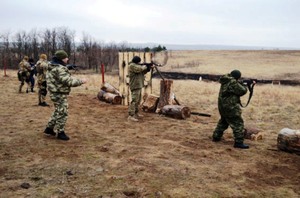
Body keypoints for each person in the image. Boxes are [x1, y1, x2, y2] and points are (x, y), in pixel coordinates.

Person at [44, 50, 87, 141]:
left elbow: (58, 71)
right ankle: (60, 132)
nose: (67, 59)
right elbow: (68, 81)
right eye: (66, 58)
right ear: (61, 59)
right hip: (59, 93)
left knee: (58, 110)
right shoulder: (60, 69)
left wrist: (68, 67)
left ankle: (49, 128)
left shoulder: (52, 65)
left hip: (54, 92)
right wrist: (81, 81)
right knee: (63, 112)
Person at [212, 69, 253, 149]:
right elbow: (242, 91)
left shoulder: (226, 80)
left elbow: (233, 88)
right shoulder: (232, 82)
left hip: (223, 106)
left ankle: (216, 136)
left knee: (224, 121)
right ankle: (239, 142)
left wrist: (240, 83)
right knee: (238, 123)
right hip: (230, 107)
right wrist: (245, 85)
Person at [127, 56, 152, 122]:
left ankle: (136, 113)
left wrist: (148, 68)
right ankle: (131, 115)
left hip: (139, 85)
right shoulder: (132, 65)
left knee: (138, 101)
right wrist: (146, 66)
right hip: (135, 85)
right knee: (134, 100)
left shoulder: (137, 66)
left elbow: (142, 72)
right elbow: (139, 69)